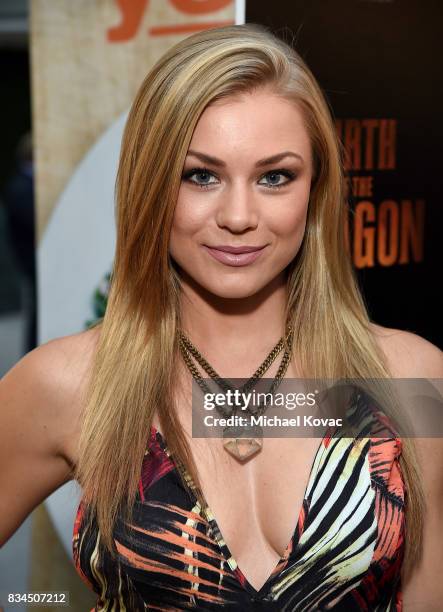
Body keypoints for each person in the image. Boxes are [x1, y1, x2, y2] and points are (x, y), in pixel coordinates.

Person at [1, 23, 442, 611]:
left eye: (274, 177)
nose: (239, 215)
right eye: (200, 175)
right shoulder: (68, 384)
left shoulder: (411, 378)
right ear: (150, 184)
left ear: (316, 190)